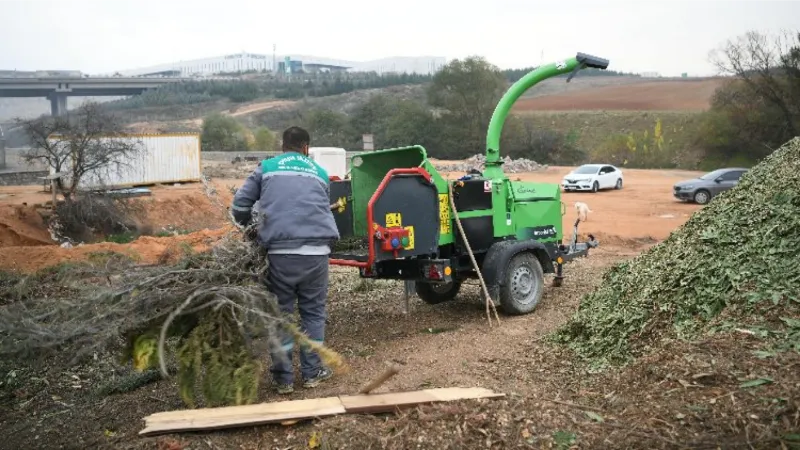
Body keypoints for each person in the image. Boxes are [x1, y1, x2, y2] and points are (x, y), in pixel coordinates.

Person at [231, 126, 340, 394]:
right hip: (317, 254)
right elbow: (319, 207)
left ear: (283, 146)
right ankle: (313, 373)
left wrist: (251, 231)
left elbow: (239, 207)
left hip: (281, 255)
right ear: (306, 148)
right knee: (313, 313)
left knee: (281, 315)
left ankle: (284, 379)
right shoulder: (320, 172)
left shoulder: (267, 167)